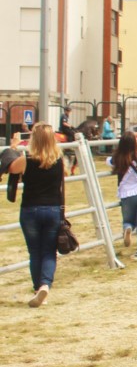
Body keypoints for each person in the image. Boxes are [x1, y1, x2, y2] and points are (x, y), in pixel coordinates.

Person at [7, 123, 65, 306]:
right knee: (49, 251)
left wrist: (14, 147)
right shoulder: (59, 160)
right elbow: (63, 187)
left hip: (30, 210)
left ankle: (36, 288)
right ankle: (45, 285)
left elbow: (11, 168)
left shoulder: (27, 159)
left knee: (35, 252)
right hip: (53, 209)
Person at [108, 130, 137, 260]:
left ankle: (127, 228)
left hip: (127, 194)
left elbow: (109, 161)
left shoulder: (118, 157)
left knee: (128, 220)